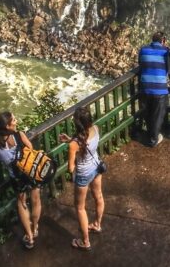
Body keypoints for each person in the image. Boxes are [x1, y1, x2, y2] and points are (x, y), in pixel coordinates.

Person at [0, 111, 41, 250]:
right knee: (35, 200)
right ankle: (35, 229)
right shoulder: (19, 135)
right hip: (30, 173)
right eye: (14, 120)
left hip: (15, 177)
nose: (16, 121)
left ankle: (29, 236)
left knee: (22, 203)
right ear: (7, 126)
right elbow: (31, 149)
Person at [59, 107, 105, 251]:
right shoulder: (96, 129)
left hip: (84, 174)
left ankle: (85, 241)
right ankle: (97, 224)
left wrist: (71, 146)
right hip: (97, 168)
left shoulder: (75, 144)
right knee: (99, 197)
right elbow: (87, 143)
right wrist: (70, 140)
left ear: (76, 123)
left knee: (80, 208)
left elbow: (70, 168)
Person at [138, 31, 170, 147]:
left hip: (145, 88)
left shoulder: (143, 49)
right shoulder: (166, 51)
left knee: (148, 112)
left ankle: (150, 133)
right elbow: (168, 67)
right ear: (163, 41)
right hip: (159, 89)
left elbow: (141, 63)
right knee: (157, 115)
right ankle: (153, 139)